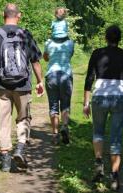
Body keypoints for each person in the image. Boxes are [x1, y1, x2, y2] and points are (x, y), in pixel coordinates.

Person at [0, 3, 44, 172]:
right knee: (23, 118)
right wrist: (39, 81)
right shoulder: (26, 34)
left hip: (1, 85)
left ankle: (5, 160)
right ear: (19, 15)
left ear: (3, 15)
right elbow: (35, 61)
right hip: (23, 85)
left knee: (3, 120)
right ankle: (20, 149)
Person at [83, 25, 123, 190]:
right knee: (116, 137)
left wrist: (86, 102)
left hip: (99, 96)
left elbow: (89, 78)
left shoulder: (97, 53)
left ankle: (99, 164)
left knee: (98, 132)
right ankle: (114, 176)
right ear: (119, 38)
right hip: (120, 97)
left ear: (106, 38)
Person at [43, 7, 74, 145]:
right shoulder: (70, 43)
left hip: (51, 75)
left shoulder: (48, 43)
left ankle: (55, 135)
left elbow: (45, 58)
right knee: (65, 105)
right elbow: (70, 56)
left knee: (53, 106)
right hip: (66, 75)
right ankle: (65, 127)